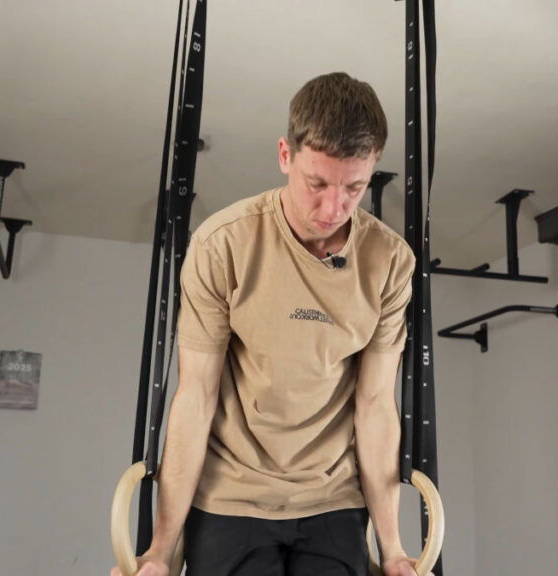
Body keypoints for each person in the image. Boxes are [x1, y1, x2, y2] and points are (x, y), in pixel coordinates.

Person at [111, 72, 418, 576]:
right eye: (317, 183)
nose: (333, 208)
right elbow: (196, 396)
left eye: (354, 188)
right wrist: (160, 550)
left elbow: (376, 404)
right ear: (284, 155)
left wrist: (394, 550)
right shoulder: (223, 244)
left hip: (333, 497)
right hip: (231, 494)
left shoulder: (389, 262)